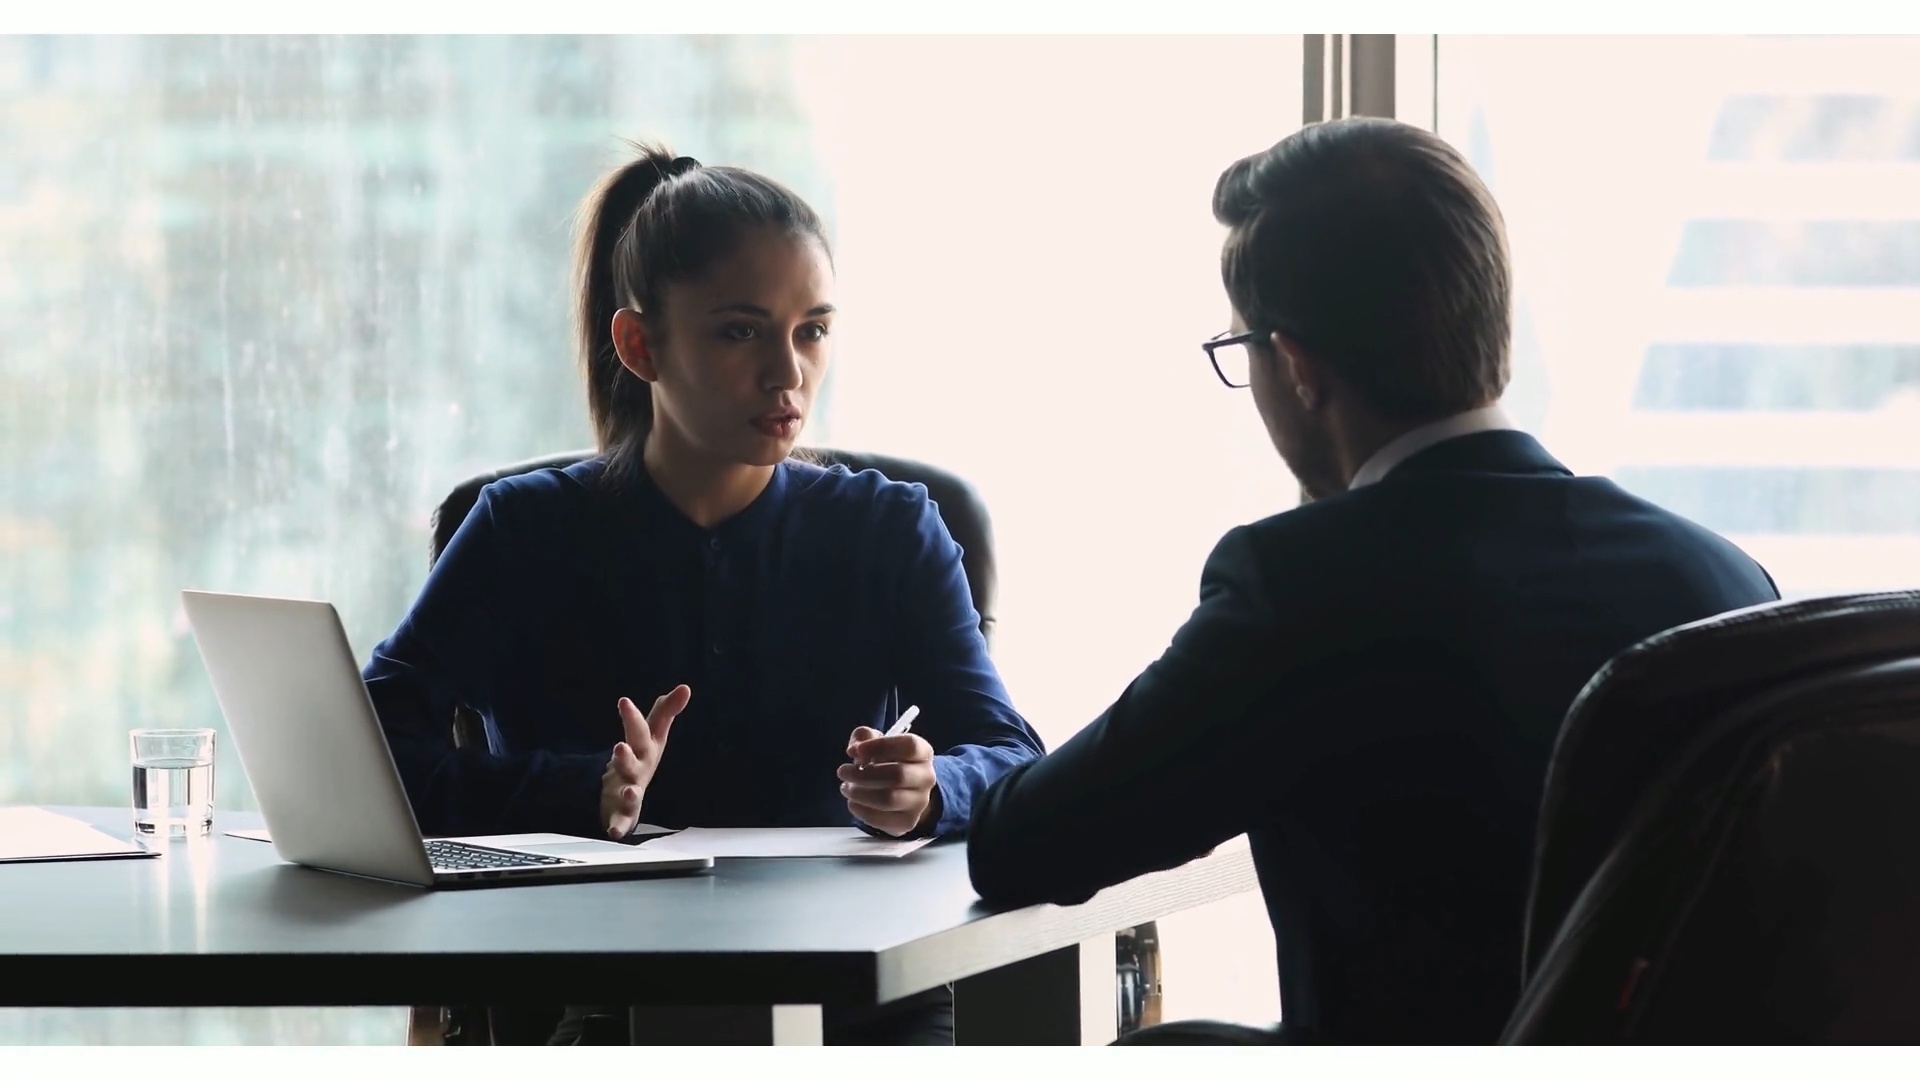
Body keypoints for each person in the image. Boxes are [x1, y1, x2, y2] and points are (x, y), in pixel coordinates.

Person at [964, 117, 1780, 1045]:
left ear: (1299, 368)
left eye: (1243, 353)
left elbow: (1028, 845)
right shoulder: (1721, 577)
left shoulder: (1304, 586)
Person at [363, 141, 1045, 1045]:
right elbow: (365, 758)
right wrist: (577, 797)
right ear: (641, 343)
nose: (787, 373)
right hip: (604, 998)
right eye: (741, 331)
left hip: (857, 1000)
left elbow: (1009, 752)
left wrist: (931, 788)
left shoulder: (890, 529)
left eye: (813, 330)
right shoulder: (521, 530)